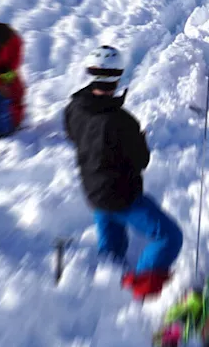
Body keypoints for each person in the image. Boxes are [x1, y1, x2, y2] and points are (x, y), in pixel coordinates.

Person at [63, 45, 183, 300]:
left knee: (112, 250)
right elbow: (141, 160)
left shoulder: (74, 107)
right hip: (121, 197)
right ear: (118, 76)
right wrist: (139, 140)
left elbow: (74, 135)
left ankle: (107, 295)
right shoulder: (121, 121)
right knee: (169, 237)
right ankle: (143, 288)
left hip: (93, 191)